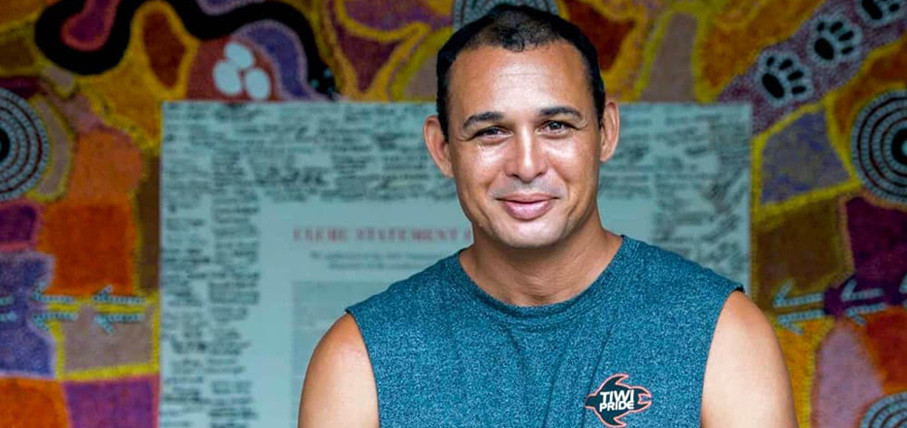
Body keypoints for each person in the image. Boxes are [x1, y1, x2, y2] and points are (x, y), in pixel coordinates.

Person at [299, 4, 797, 427]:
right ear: (443, 148)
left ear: (605, 132)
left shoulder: (719, 334)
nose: (527, 165)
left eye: (556, 126)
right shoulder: (360, 359)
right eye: (490, 132)